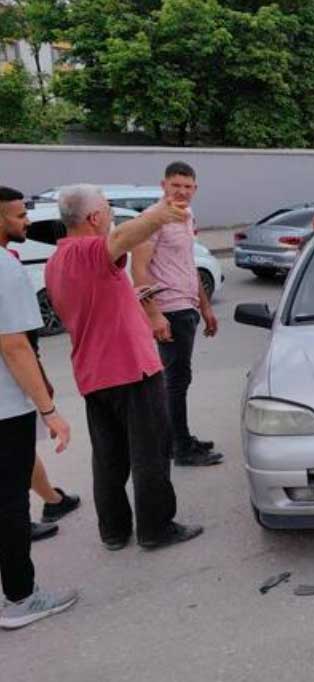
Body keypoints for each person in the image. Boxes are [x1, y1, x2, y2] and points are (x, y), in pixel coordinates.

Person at [45, 185, 204, 551]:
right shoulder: (89, 250)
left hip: (92, 373)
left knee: (109, 460)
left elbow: (90, 305)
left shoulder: (58, 262)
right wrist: (158, 215)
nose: (111, 218)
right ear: (94, 218)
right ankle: (156, 529)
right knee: (150, 452)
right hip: (130, 370)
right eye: (107, 211)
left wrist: (127, 299)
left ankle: (114, 532)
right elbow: (119, 239)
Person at [0, 186, 78, 630]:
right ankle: (20, 598)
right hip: (5, 409)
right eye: (15, 216)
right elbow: (14, 345)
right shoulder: (6, 270)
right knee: (10, 503)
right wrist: (49, 409)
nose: (25, 222)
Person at [131, 162, 222, 467]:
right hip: (169, 310)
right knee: (176, 381)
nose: (182, 191)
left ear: (195, 188)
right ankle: (180, 448)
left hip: (187, 306)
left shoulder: (185, 215)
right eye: (176, 185)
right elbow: (139, 271)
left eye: (188, 186)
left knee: (179, 378)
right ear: (163, 185)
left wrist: (205, 306)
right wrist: (155, 315)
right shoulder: (153, 220)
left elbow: (188, 263)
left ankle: (177, 439)